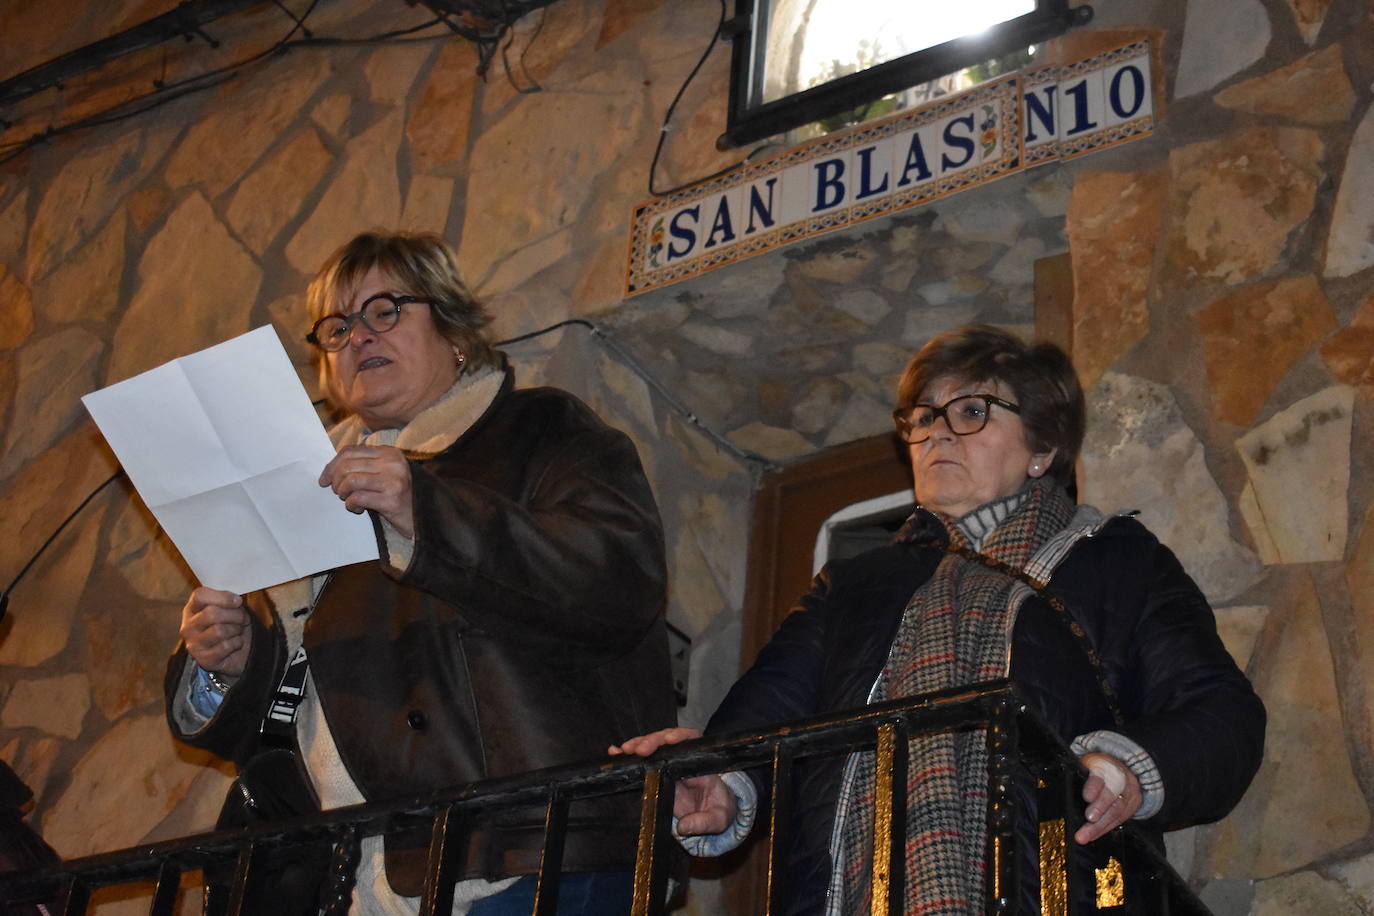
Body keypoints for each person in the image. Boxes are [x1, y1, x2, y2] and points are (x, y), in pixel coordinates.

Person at [614, 325, 1265, 914]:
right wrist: (721, 779)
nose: (937, 432)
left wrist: (1125, 770)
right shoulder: (857, 583)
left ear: (1042, 447)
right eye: (922, 417)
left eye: (972, 411)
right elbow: (770, 705)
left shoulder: (1117, 563)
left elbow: (1221, 714)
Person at [166, 230, 675, 915]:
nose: (359, 338)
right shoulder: (297, 491)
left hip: (526, 854)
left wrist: (424, 510)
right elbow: (293, 710)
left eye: (386, 311)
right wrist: (225, 661)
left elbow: (618, 582)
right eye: (337, 327)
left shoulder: (537, 430)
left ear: (455, 330)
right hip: (359, 877)